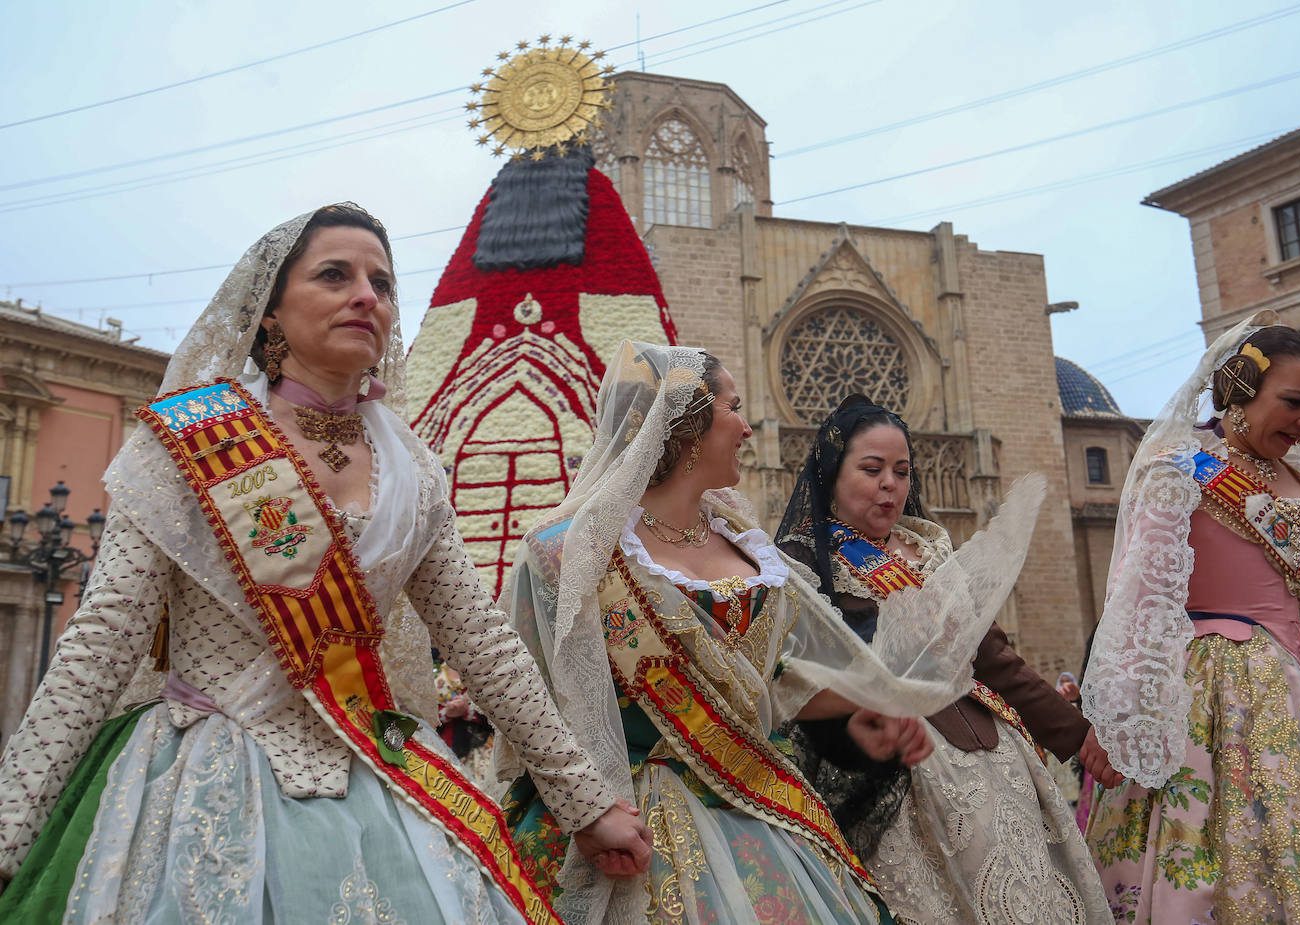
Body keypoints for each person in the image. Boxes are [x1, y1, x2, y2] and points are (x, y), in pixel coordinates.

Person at [0, 203, 649, 923]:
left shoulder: (413, 469)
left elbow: (485, 646)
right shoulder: (190, 441)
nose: (366, 295)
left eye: (383, 282)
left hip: (369, 772)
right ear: (270, 311)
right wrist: (8, 833)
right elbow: (99, 644)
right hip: (203, 777)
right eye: (334, 274)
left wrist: (586, 805)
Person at [499, 342, 1003, 925]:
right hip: (622, 818)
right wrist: (585, 808)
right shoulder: (567, 553)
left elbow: (770, 683)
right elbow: (528, 702)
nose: (746, 427)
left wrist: (868, 705)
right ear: (688, 424)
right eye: (734, 408)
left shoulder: (744, 541)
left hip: (755, 803)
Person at [775, 396, 1115, 925]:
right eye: (872, 469)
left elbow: (993, 657)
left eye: (902, 471)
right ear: (830, 474)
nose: (891, 483)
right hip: (898, 772)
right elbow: (801, 676)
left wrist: (1076, 733)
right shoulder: (803, 563)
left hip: (994, 759)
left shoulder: (928, 550)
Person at [1081, 311, 1300, 922]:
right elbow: (1142, 602)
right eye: (1294, 402)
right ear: (1239, 391)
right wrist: (1123, 717)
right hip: (1216, 698)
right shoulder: (1180, 470)